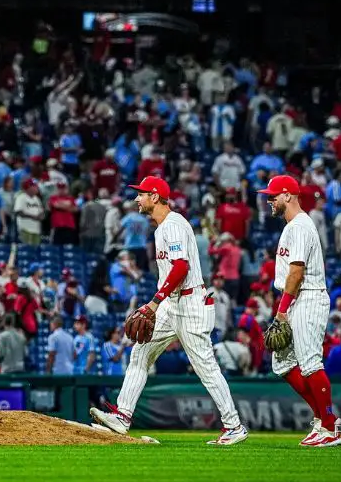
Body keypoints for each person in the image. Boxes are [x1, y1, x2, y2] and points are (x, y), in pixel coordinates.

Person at [91, 176, 247, 445]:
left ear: (154, 196)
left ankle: (233, 426)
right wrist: (159, 302)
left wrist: (154, 301)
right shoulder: (161, 228)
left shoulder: (173, 224)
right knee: (140, 351)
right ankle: (123, 416)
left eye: (141, 194)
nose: (136, 198)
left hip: (190, 303)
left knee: (206, 367)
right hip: (173, 304)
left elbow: (181, 267)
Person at [260, 174, 341, 447]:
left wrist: (281, 311)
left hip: (307, 297)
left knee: (309, 363)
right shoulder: (291, 226)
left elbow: (297, 271)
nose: (269, 200)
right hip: (295, 299)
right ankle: (322, 419)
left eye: (273, 196)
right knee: (282, 364)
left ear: (288, 195)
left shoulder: (300, 226)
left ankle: (330, 428)